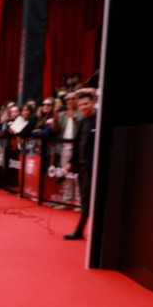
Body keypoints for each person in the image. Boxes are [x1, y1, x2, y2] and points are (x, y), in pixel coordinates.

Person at [64, 89, 98, 240]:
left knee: (89, 199)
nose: (83, 107)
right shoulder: (83, 121)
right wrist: (71, 162)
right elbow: (77, 144)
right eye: (81, 105)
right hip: (82, 167)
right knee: (85, 199)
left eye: (86, 103)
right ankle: (80, 230)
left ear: (93, 103)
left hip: (93, 168)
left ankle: (80, 230)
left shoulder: (99, 121)